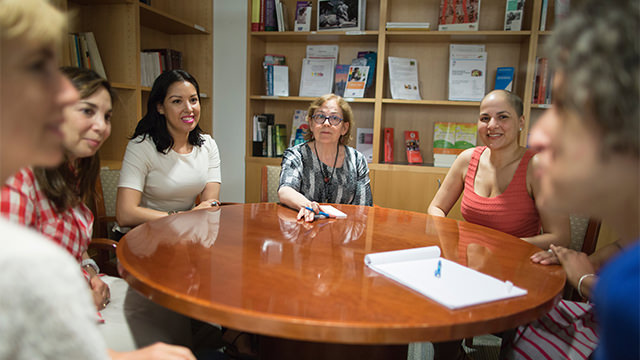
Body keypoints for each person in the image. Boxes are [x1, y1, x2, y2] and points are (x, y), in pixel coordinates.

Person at [0, 0, 195, 359]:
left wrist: (89, 273)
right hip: (43, 320)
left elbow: (75, 250)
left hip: (81, 289)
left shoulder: (73, 171)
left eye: (106, 116)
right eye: (87, 111)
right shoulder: (18, 177)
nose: (102, 127)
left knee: (173, 313)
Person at [504, 0, 639, 358]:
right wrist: (585, 263)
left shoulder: (624, 293)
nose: (539, 135)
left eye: (569, 111)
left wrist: (584, 280)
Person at [428, 90, 569, 250]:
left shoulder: (538, 166)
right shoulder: (466, 159)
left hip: (516, 263)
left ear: (521, 122)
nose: (492, 125)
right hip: (469, 259)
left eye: (503, 117)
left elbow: (560, 237)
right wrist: (449, 233)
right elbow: (436, 207)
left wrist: (500, 246)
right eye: (485, 118)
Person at [115, 69, 221, 233]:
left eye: (193, 100)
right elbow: (125, 213)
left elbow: (209, 206)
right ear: (160, 107)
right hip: (142, 235)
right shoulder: (141, 146)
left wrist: (187, 220)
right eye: (177, 101)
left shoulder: (208, 145)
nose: (189, 108)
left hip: (187, 234)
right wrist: (180, 217)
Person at [278, 94, 373, 222]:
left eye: (334, 118)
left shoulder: (357, 160)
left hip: (343, 233)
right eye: (320, 117)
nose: (326, 123)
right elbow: (285, 190)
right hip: (304, 228)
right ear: (311, 124)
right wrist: (308, 206)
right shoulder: (297, 155)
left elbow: (364, 208)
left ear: (344, 128)